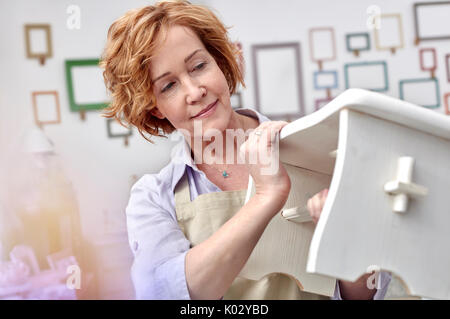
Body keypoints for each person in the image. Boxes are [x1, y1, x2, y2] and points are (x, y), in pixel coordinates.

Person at [101, 0, 391, 300]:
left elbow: (364, 294)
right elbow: (164, 294)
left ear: (220, 62)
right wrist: (266, 196)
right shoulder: (153, 197)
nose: (194, 91)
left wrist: (351, 244)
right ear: (155, 108)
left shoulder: (314, 149)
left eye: (199, 66)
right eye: (169, 86)